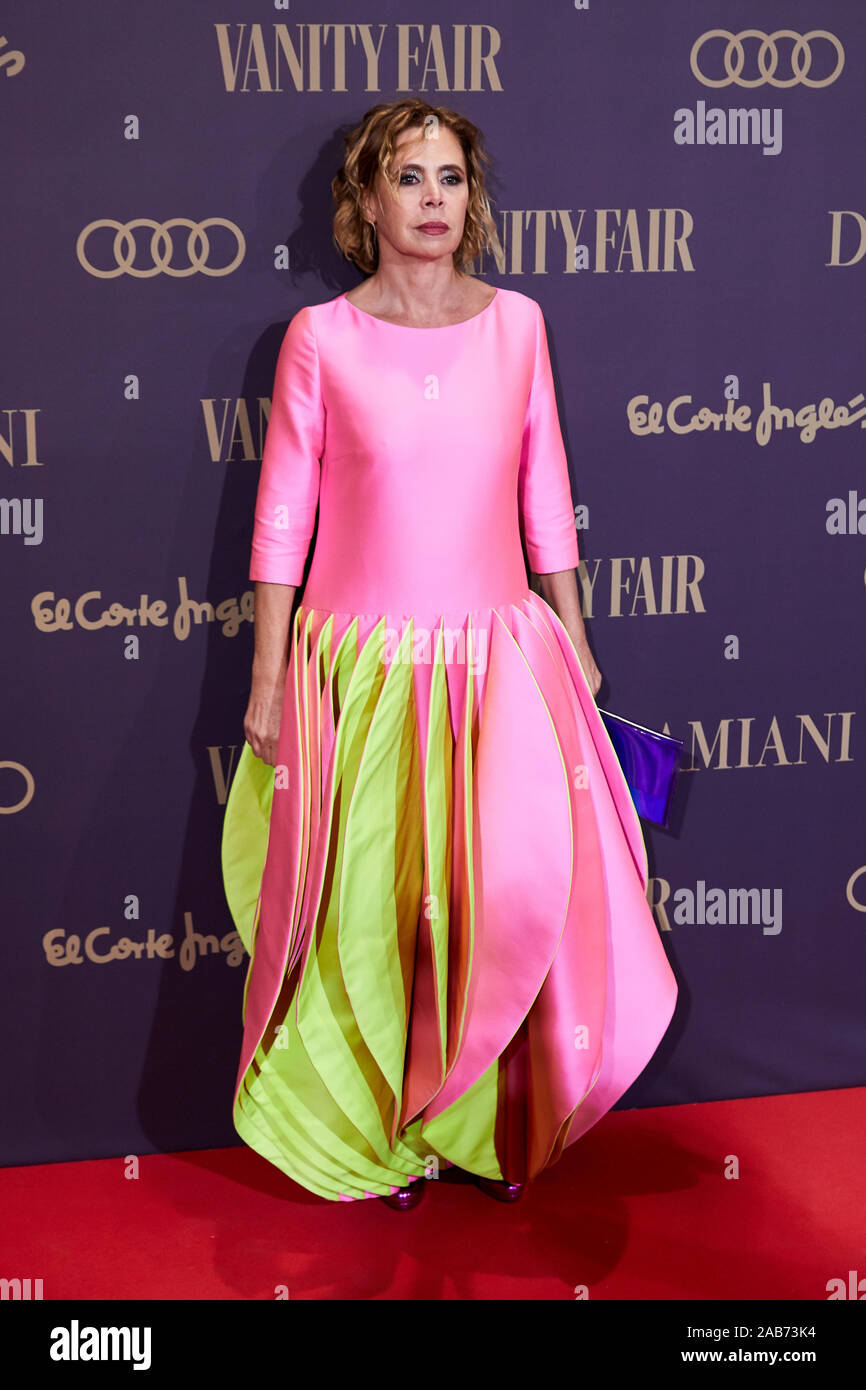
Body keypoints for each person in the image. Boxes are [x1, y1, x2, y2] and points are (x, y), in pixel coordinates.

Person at [221, 98, 678, 1212]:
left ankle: (484, 1123)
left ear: (473, 198)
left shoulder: (517, 324)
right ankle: (383, 1137)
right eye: (410, 178)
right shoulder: (319, 340)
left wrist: (571, 636)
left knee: (499, 906)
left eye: (452, 178)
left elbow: (543, 494)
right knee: (368, 908)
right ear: (364, 202)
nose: (434, 200)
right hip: (358, 673)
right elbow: (282, 516)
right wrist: (271, 675)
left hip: (496, 663)